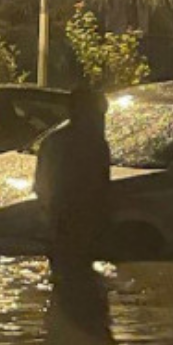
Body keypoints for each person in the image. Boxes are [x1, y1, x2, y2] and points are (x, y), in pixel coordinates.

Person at [35, 84, 111, 274]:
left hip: (63, 218)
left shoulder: (54, 141)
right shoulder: (94, 144)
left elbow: (41, 183)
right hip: (77, 218)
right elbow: (102, 184)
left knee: (66, 274)